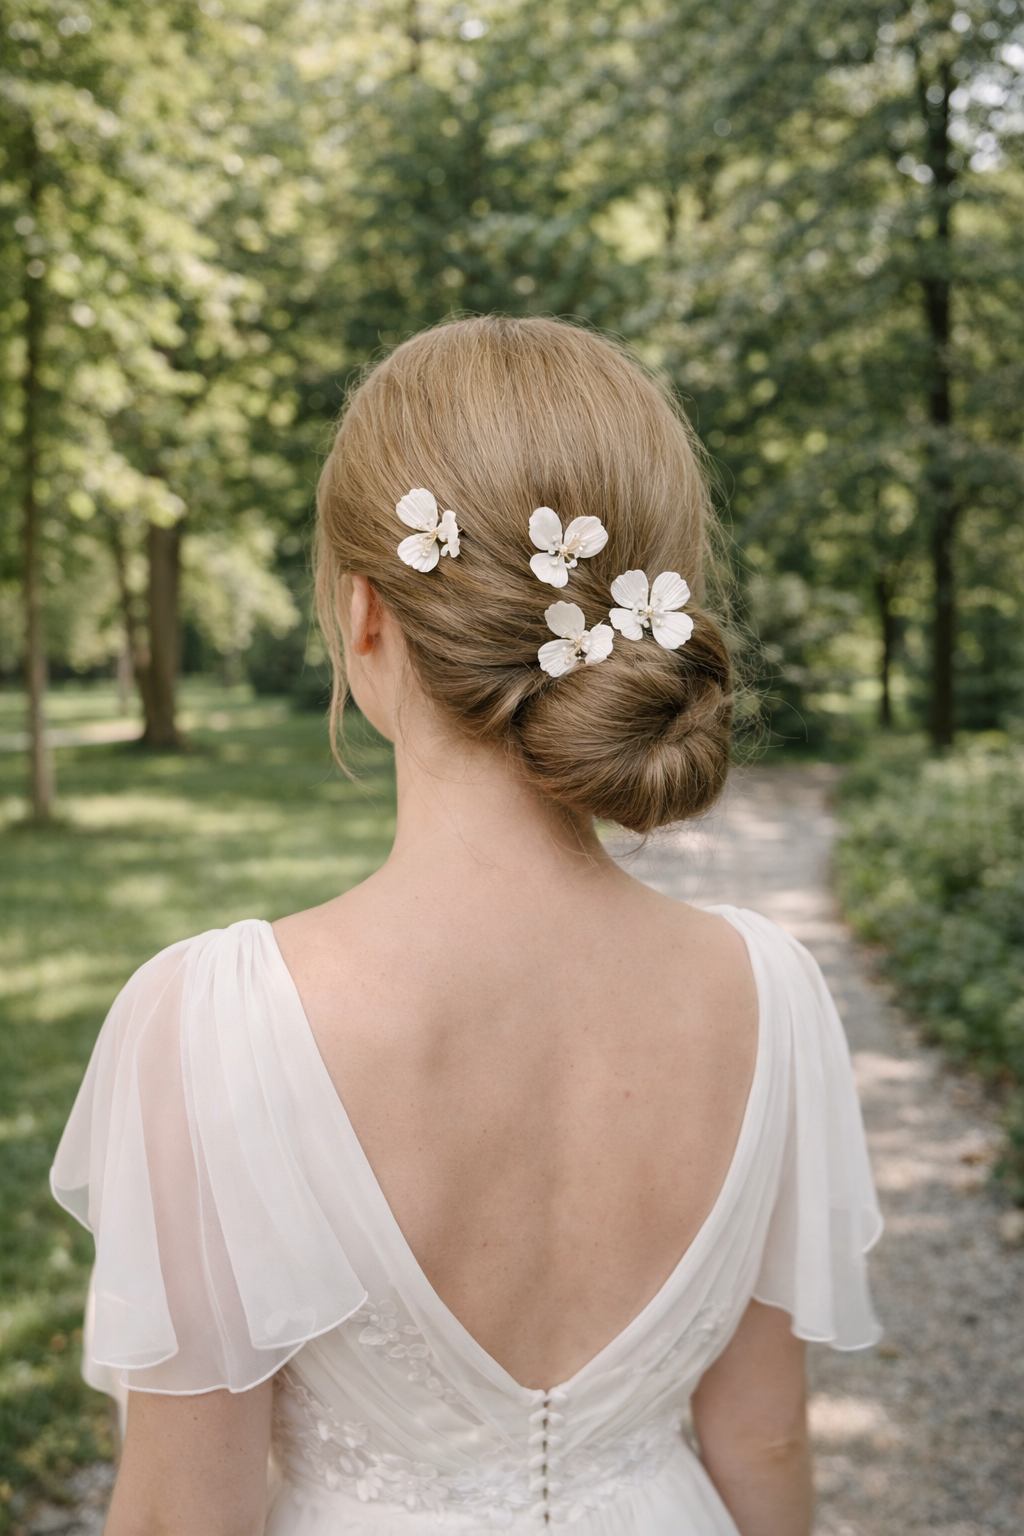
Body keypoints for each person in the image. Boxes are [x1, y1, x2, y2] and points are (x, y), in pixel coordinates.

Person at [51, 317, 881, 1536]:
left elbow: (186, 1514)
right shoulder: (767, 990)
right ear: (652, 602)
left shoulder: (212, 1024)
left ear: (365, 619)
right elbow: (761, 1435)